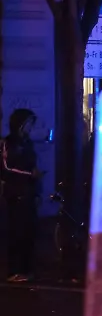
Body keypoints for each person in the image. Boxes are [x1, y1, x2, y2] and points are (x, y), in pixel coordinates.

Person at [1, 108, 43, 282]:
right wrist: (28, 174)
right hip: (16, 193)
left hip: (28, 193)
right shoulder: (8, 143)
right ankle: (15, 270)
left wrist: (36, 187)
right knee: (16, 231)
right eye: (28, 124)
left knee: (29, 232)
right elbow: (5, 169)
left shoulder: (28, 143)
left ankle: (26, 269)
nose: (30, 128)